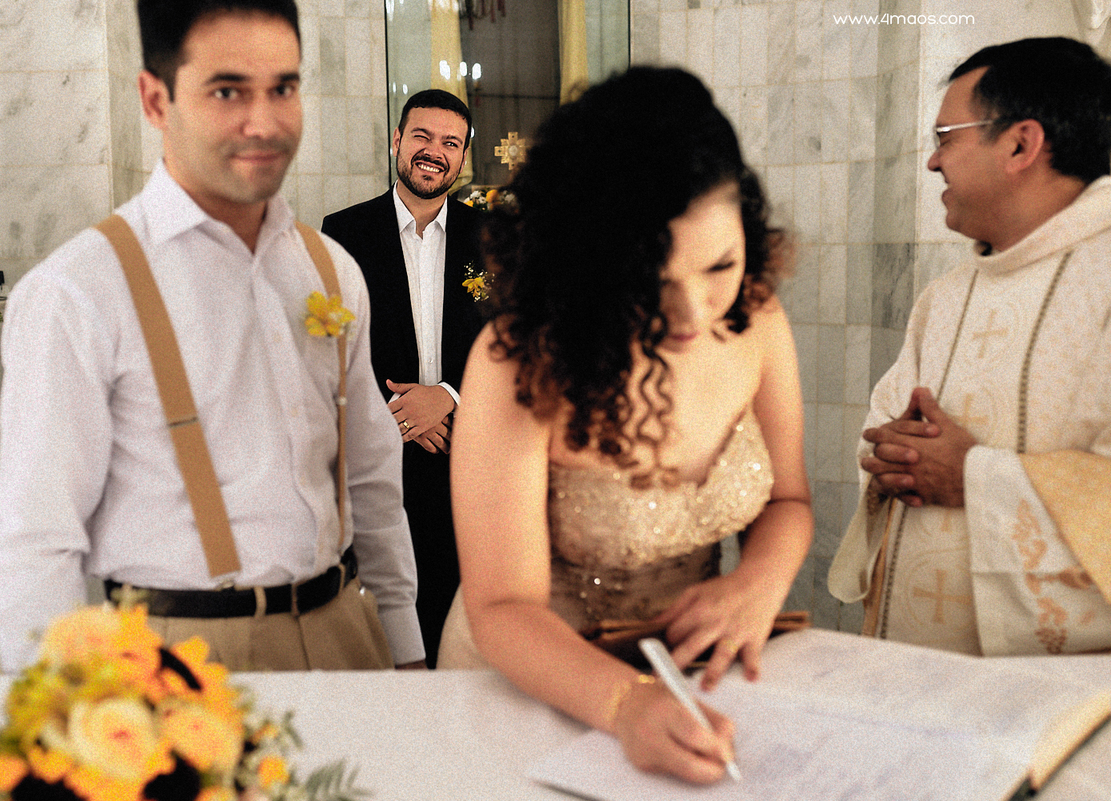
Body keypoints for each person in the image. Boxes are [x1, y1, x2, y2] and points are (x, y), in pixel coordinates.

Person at [0, 0, 425, 672]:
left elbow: (371, 482)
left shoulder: (332, 268)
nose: (264, 121)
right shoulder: (80, 289)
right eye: (227, 91)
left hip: (345, 632)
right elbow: (36, 543)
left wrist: (403, 645)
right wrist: (65, 719)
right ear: (155, 100)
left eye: (284, 88)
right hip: (176, 652)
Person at [436, 67, 812, 784]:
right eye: (651, 283)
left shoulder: (757, 315)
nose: (693, 314)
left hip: (688, 677)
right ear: (587, 261)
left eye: (719, 265)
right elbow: (502, 605)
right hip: (537, 683)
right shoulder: (520, 359)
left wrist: (757, 582)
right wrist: (626, 704)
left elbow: (789, 502)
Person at [829, 37, 1111, 656]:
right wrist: (889, 453)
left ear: (1020, 144)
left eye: (945, 138)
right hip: (913, 658)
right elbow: (883, 426)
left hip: (1053, 692)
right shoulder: (948, 294)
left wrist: (972, 477)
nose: (933, 164)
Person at [321, 90, 485, 667]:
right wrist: (398, 418)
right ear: (397, 142)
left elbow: (519, 343)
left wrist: (447, 397)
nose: (433, 152)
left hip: (468, 458)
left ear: (464, 158)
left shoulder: (495, 239)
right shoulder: (341, 233)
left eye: (449, 143)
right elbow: (332, 346)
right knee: (382, 627)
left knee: (456, 628)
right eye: (421, 136)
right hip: (377, 460)